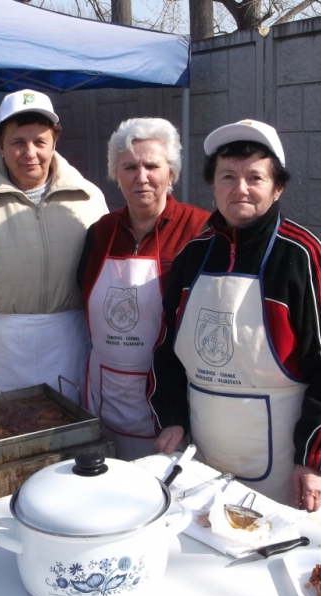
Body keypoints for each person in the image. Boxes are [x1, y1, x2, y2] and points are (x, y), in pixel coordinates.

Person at [148, 119, 321, 530]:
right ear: (212, 185)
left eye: (255, 177)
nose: (240, 188)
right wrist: (171, 416)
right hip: (205, 458)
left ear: (278, 187)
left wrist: (315, 459)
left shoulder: (304, 256)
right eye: (227, 176)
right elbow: (166, 349)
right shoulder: (193, 256)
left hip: (287, 469)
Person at [0, 89, 107, 400]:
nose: (30, 153)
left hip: (70, 344)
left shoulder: (89, 199)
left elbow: (108, 273)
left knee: (68, 437)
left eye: (40, 141)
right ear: (0, 145)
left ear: (55, 141)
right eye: (17, 142)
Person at [77, 118, 210, 460]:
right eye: (129, 167)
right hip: (104, 394)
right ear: (116, 175)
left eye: (152, 165)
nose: (141, 177)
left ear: (172, 173)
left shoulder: (201, 230)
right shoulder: (101, 232)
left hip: (172, 402)